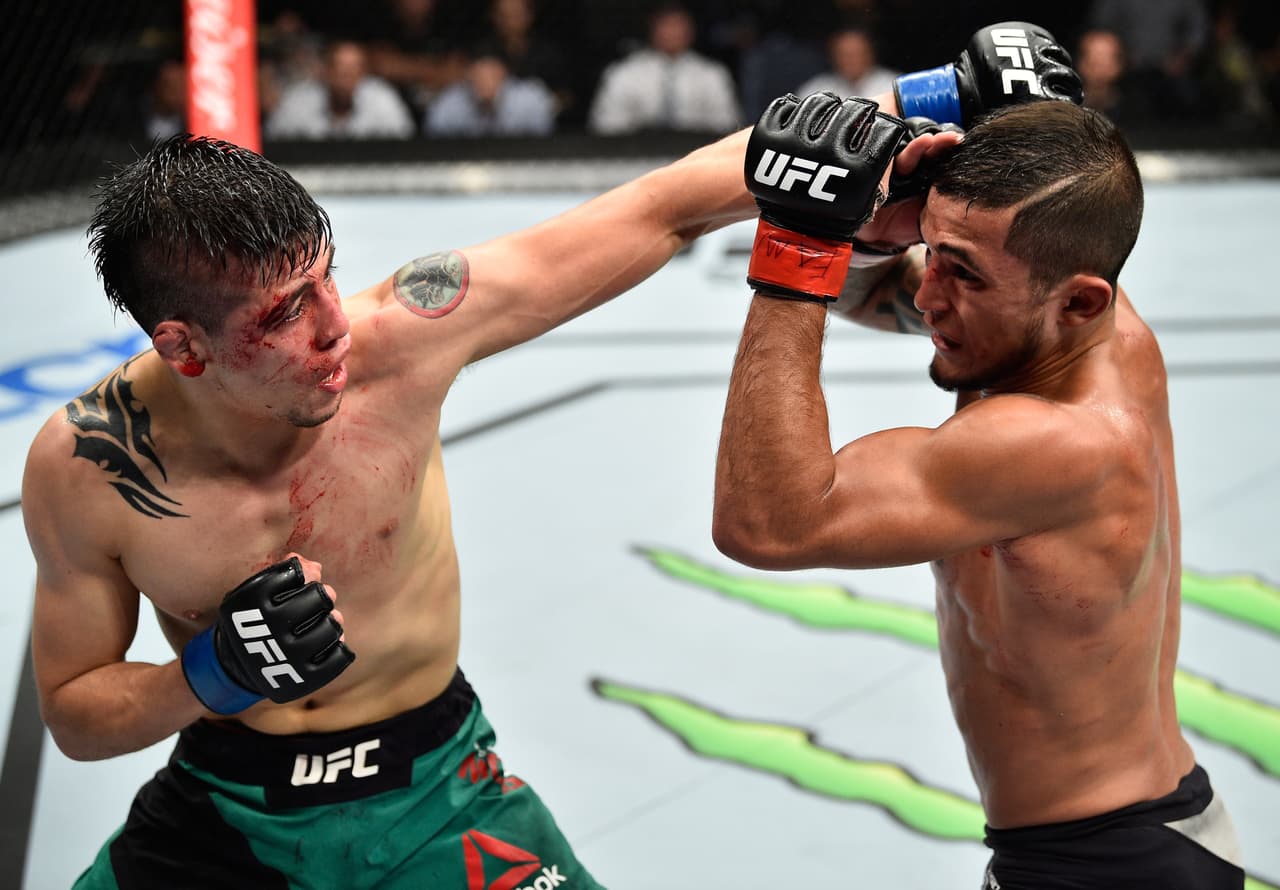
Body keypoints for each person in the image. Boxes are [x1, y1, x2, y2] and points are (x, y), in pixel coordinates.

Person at [20, 20, 1079, 888]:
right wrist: (207, 671)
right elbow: (75, 713)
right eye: (282, 315)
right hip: (221, 817)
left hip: (437, 789)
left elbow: (659, 208)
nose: (333, 324)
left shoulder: (402, 336)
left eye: (325, 279)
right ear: (179, 344)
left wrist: (930, 98)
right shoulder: (85, 466)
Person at [713, 79, 1246, 890]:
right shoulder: (1094, 324)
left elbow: (767, 522)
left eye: (961, 272)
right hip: (1127, 837)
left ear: (1078, 301)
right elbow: (890, 294)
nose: (927, 292)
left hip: (1103, 866)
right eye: (930, 252)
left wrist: (799, 245)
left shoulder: (1053, 445)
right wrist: (870, 234)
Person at [587, 3, 741, 135]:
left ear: (690, 30)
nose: (672, 32)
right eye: (666, 25)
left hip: (699, 160)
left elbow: (727, 128)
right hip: (634, 158)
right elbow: (605, 128)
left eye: (678, 25)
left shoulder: (712, 74)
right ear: (653, 29)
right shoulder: (623, 74)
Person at [265, 39, 416, 139]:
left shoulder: (382, 99)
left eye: (353, 69)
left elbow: (405, 144)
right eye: (339, 69)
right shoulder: (298, 101)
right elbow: (271, 146)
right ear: (326, 71)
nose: (346, 77)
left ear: (363, 73)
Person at [425, 47, 556, 137]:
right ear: (468, 76)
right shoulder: (449, 103)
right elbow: (433, 143)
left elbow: (546, 141)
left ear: (504, 74)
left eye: (492, 75)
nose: (485, 83)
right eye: (479, 76)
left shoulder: (531, 99)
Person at [794, 23, 899, 103]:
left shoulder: (895, 87)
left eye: (856, 53)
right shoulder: (814, 91)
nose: (850, 60)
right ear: (832, 56)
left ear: (871, 54)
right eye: (844, 54)